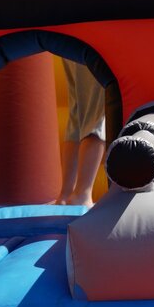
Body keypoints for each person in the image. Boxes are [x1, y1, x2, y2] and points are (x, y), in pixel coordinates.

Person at [56, 58, 106, 207]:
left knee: (77, 115)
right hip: (97, 45)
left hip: (72, 46)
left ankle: (66, 194)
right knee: (97, 113)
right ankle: (82, 194)